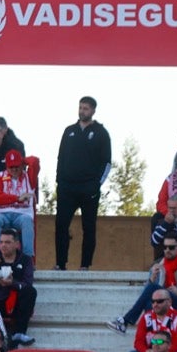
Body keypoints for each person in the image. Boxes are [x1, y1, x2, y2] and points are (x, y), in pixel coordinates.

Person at [54, 96, 112, 272]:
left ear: (93, 110)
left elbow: (107, 162)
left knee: (88, 227)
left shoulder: (101, 133)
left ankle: (85, 265)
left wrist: (96, 185)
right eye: (80, 107)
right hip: (67, 187)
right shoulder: (69, 131)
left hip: (89, 188)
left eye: (86, 108)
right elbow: (60, 157)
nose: (82, 111)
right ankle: (60, 264)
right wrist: (59, 180)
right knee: (61, 225)